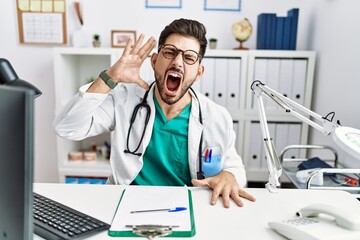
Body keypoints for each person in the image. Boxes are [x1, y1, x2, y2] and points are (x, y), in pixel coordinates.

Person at [54, 18, 255, 208]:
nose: (177, 62)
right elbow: (67, 127)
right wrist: (111, 77)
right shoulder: (125, 99)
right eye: (170, 52)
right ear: (154, 61)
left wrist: (229, 175)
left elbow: (234, 167)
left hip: (185, 207)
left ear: (199, 72)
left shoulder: (216, 117)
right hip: (128, 204)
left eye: (189, 57)